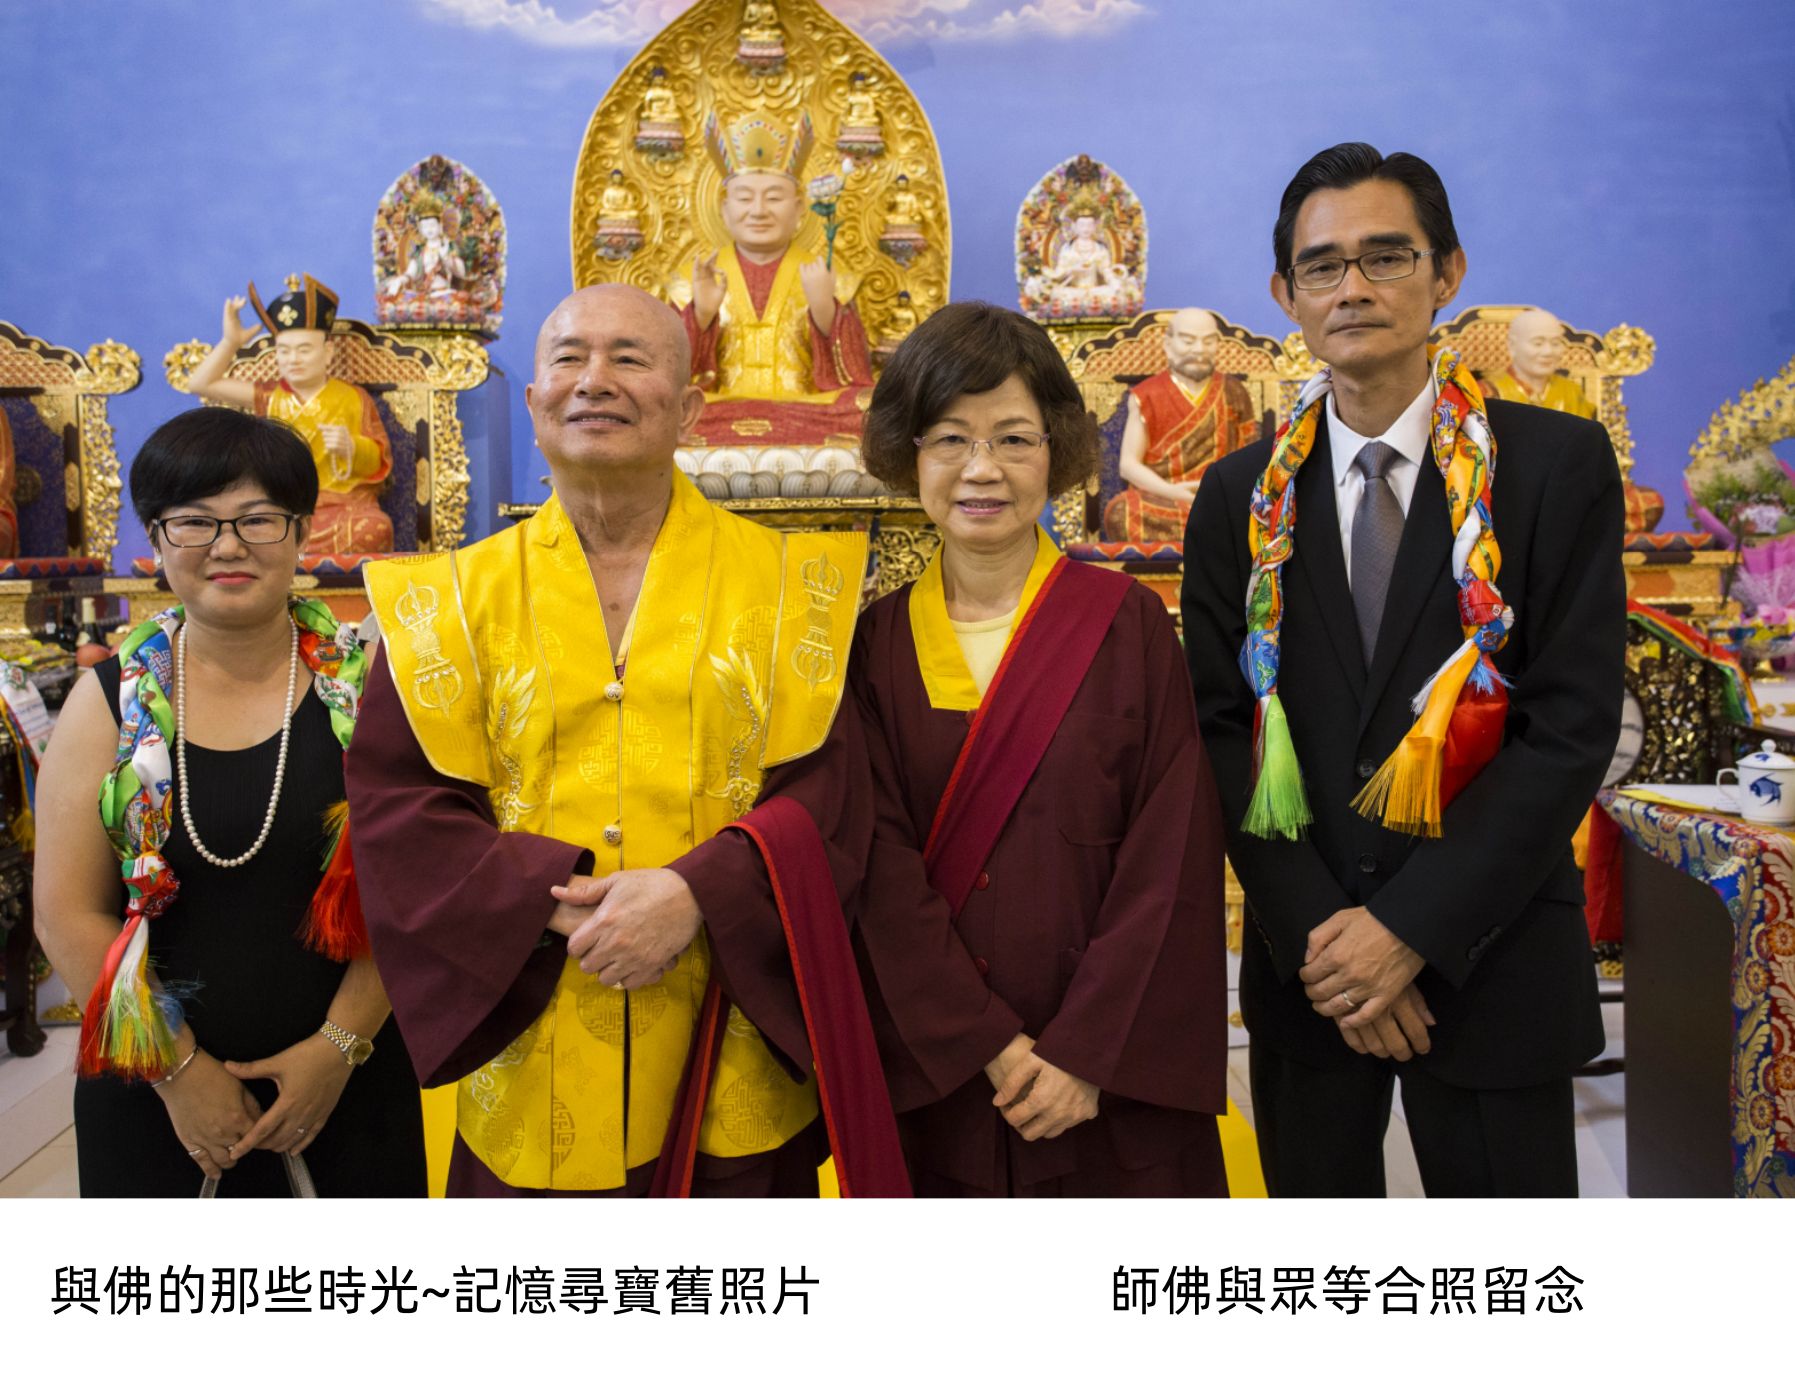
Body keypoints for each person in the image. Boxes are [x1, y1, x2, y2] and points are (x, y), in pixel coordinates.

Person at [345, 284, 902, 1197]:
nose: (594, 380)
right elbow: (398, 808)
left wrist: (697, 894)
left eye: (629, 359)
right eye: (569, 358)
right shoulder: (439, 603)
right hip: (536, 1034)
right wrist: (542, 897)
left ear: (688, 409)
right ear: (534, 404)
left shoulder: (796, 586)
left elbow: (834, 795)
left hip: (729, 1033)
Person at [686, 301, 1230, 1196]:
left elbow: (1168, 857)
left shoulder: (1126, 624)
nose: (982, 469)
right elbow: (874, 862)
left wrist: (1086, 1054)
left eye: (1013, 439)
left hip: (1107, 1074)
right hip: (945, 1068)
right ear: (908, 456)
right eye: (948, 440)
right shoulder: (871, 646)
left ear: (1056, 449)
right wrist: (986, 1043)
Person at [1182, 142, 1624, 1197]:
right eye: (1322, 266)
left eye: (1386, 256)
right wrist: (1333, 946)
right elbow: (1219, 729)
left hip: (1494, 959)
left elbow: (1568, 727)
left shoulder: (1550, 466)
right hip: (1314, 977)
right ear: (1285, 296)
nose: (1354, 288)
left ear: (1447, 273)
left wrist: (1408, 930)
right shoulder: (1238, 496)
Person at [34, 407, 424, 1197]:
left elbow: (414, 892)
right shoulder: (107, 702)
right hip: (148, 1083)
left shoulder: (374, 691)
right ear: (155, 540)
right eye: (194, 522)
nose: (228, 545)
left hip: (353, 1078)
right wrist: (181, 1074)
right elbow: (68, 914)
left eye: (257, 519)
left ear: (303, 532)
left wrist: (337, 1049)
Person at [676, 110, 874, 445]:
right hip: (718, 406)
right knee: (665, 410)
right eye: (744, 198)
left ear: (799, 209)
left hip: (805, 407)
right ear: (724, 209)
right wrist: (700, 315)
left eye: (774, 198)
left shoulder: (825, 274)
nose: (758, 211)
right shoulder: (693, 279)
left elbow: (855, 377)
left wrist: (825, 310)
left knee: (868, 406)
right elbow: (670, 377)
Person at [188, 275, 394, 554]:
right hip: (285, 507)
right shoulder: (270, 397)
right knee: (257, 529)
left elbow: (381, 462)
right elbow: (200, 383)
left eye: (304, 350)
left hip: (342, 507)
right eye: (284, 351)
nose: (293, 360)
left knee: (375, 528)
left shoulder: (353, 398)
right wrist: (230, 342)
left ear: (327, 352)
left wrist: (353, 448)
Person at [1103, 308, 1260, 543]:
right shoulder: (1148, 394)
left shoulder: (1234, 391)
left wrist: (1222, 491)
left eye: (1208, 341)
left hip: (1220, 497)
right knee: (1121, 512)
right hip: (1164, 496)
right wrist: (1174, 492)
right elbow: (1128, 465)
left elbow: (1250, 460)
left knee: (1253, 510)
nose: (1198, 350)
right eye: (1188, 341)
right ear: (1168, 345)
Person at [1481, 308, 1597, 418]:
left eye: (1555, 343)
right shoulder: (1487, 391)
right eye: (1538, 343)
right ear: (1512, 345)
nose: (1548, 352)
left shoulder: (1571, 392)